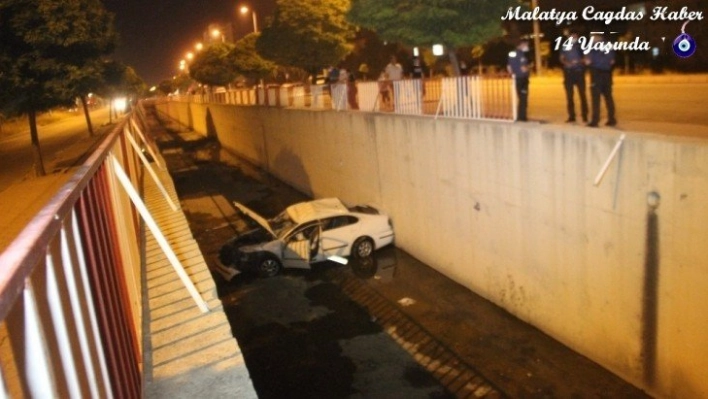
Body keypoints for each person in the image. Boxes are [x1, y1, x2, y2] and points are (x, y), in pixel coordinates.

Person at [585, 33, 617, 127]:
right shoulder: (608, 45)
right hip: (607, 73)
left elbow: (589, 60)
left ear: (595, 37)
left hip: (596, 73)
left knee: (596, 98)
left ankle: (595, 120)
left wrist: (588, 61)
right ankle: (611, 119)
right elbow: (612, 61)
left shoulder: (592, 47)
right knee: (608, 97)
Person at [559, 32, 588, 123]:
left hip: (579, 72)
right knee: (569, 96)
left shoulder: (581, 46)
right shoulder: (565, 46)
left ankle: (584, 115)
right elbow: (561, 57)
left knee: (582, 95)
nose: (573, 38)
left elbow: (587, 58)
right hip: (568, 73)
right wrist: (566, 62)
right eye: (571, 36)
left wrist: (579, 61)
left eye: (575, 36)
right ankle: (571, 116)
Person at [507, 39, 531, 122]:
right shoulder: (517, 53)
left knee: (522, 98)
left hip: (520, 78)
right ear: (521, 44)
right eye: (526, 45)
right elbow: (523, 68)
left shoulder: (519, 53)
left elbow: (509, 67)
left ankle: (521, 116)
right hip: (521, 78)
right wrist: (528, 68)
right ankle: (522, 117)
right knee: (523, 98)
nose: (527, 47)